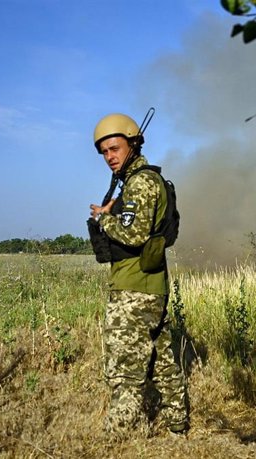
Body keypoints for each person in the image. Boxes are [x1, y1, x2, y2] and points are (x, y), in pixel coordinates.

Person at [88, 113, 189, 436]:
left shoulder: (141, 183)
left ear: (133, 143)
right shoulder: (141, 182)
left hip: (134, 291)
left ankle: (113, 439)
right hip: (150, 286)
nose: (109, 157)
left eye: (115, 148)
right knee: (161, 362)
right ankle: (177, 425)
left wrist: (104, 220)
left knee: (125, 370)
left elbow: (133, 235)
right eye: (104, 152)